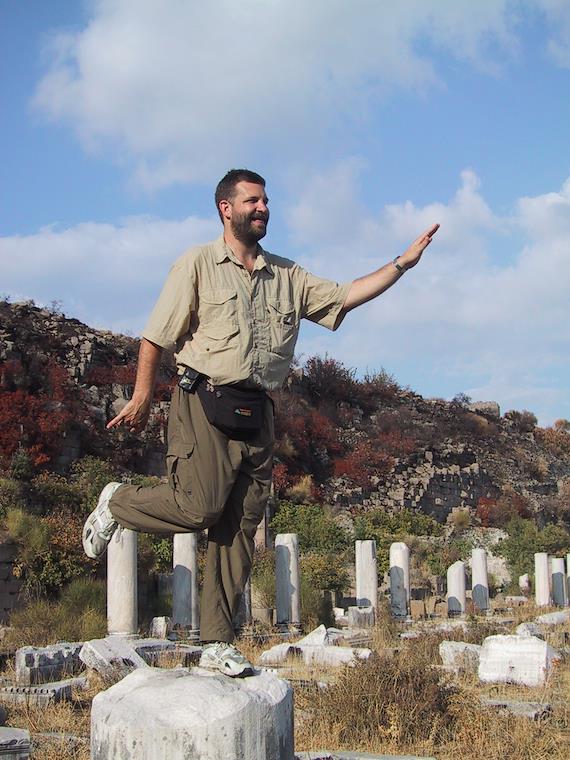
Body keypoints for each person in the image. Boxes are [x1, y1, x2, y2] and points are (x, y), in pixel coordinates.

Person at [82, 168, 439, 676]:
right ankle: (118, 502)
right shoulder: (197, 264)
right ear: (226, 209)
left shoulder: (288, 276)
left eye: (266, 200)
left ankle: (216, 642)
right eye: (252, 200)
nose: (263, 208)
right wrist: (141, 395)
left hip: (258, 413)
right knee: (199, 507)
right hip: (203, 400)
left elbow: (346, 295)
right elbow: (155, 336)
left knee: (239, 529)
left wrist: (402, 264)